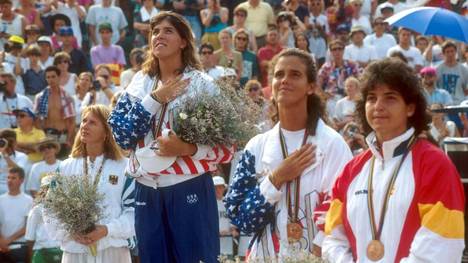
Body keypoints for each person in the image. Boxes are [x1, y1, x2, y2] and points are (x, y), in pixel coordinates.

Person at [108, 12, 233, 263]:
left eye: (168, 31)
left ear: (184, 41)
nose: (159, 36)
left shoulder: (203, 84)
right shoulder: (139, 83)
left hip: (189, 186)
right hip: (145, 191)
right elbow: (122, 136)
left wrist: (188, 148)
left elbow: (228, 146)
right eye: (155, 31)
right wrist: (155, 99)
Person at [322, 58, 465, 262]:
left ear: (410, 108)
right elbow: (333, 239)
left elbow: (441, 247)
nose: (378, 106)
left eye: (390, 98)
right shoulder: (350, 171)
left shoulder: (435, 165)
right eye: (371, 98)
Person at [225, 48, 352, 260]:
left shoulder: (332, 144)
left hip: (317, 256)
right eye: (279, 74)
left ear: (311, 86)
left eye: (295, 74)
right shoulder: (256, 146)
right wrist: (275, 179)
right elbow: (240, 218)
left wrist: (317, 249)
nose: (284, 80)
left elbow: (343, 208)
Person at [44, 105, 135, 263]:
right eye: (84, 121)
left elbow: (134, 212)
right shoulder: (65, 167)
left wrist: (106, 230)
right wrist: (70, 232)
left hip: (112, 250)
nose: (85, 125)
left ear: (107, 131)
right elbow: (48, 208)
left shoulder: (125, 167)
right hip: (75, 250)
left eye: (92, 122)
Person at [34, 66, 76, 157]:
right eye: (48, 77)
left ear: (59, 77)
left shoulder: (67, 97)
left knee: (62, 166)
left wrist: (69, 140)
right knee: (49, 166)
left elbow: (71, 121)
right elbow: (36, 120)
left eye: (53, 76)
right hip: (47, 135)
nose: (50, 79)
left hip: (63, 136)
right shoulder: (40, 97)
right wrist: (42, 137)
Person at [25, 175, 62, 263]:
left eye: (53, 188)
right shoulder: (36, 210)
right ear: (43, 190)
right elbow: (30, 239)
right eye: (47, 188)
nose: (50, 191)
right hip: (42, 253)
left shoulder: (66, 209)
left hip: (61, 252)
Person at [0, 167, 33, 263]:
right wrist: (2, 241)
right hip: (2, 245)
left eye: (13, 178)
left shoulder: (28, 200)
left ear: (21, 180)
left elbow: (28, 226)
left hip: (20, 245)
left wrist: (8, 240)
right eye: (8, 177)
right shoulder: (0, 199)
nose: (9, 181)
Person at [213, 175, 238, 257]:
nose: (218, 190)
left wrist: (233, 230)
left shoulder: (229, 203)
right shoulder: (208, 205)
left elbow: (233, 222)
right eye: (215, 188)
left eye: (220, 187)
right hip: (213, 246)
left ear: (224, 188)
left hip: (228, 245)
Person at [0, 128, 29, 194]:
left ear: (15, 142)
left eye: (10, 141)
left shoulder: (22, 156)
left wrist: (5, 155)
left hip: (15, 194)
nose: (8, 144)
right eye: (4, 141)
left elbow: (18, 171)